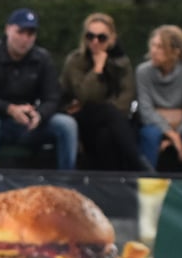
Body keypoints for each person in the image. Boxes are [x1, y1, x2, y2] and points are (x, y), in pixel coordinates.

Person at [0, 9, 77, 171]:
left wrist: (39, 114)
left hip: (29, 124)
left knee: (66, 124)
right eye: (20, 32)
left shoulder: (42, 58)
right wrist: (10, 109)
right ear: (7, 29)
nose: (25, 39)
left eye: (31, 34)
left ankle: (67, 184)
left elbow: (53, 97)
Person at [59, 12, 141, 171]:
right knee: (106, 113)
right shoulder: (75, 61)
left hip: (113, 121)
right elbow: (85, 96)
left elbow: (126, 98)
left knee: (106, 136)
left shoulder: (121, 63)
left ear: (112, 39)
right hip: (81, 117)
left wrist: (106, 109)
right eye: (90, 36)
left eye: (101, 37)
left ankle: (108, 188)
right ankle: (141, 170)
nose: (95, 42)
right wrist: (97, 69)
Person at [134, 24, 182, 174]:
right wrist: (172, 134)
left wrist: (176, 135)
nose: (153, 51)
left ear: (175, 52)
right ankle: (145, 186)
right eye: (153, 45)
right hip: (155, 125)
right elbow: (146, 111)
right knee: (149, 134)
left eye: (160, 47)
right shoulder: (143, 71)